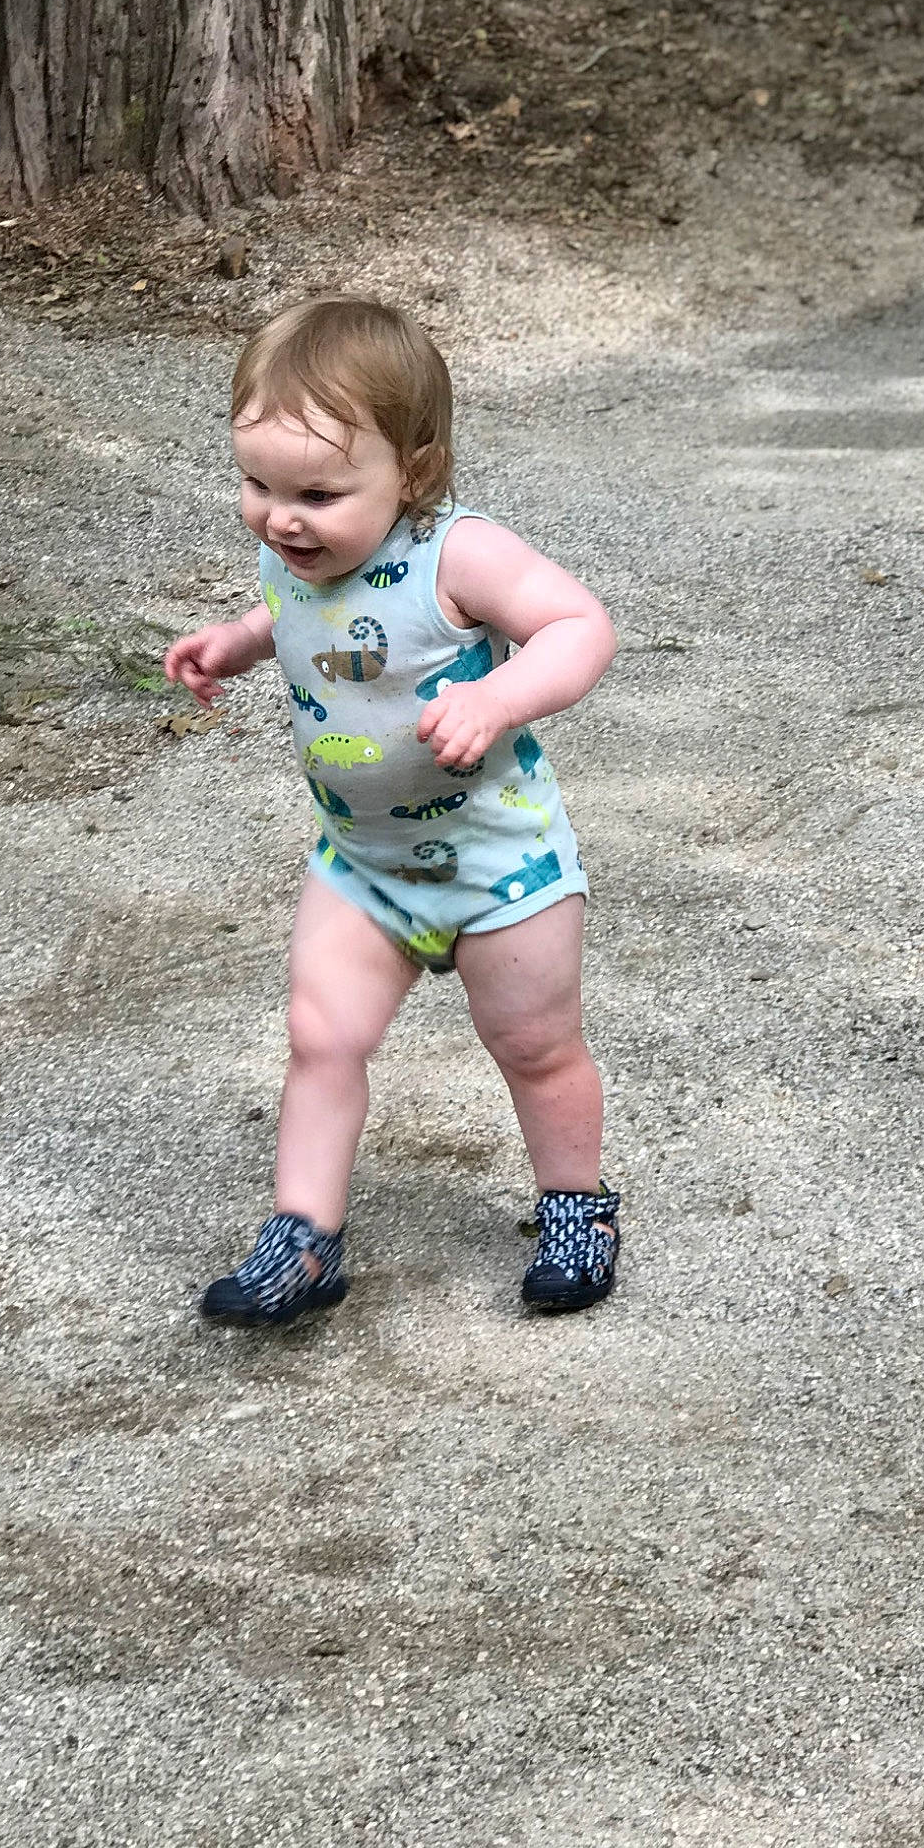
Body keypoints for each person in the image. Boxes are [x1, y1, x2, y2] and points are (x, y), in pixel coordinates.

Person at [163, 297, 620, 1325]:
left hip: (500, 863)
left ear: (411, 473)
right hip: (362, 863)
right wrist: (238, 642)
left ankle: (576, 1205)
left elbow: (581, 625)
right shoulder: (295, 554)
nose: (281, 518)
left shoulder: (458, 555)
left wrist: (499, 695)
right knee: (321, 1033)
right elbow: (292, 611)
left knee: (535, 1045)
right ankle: (305, 1236)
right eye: (257, 484)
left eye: (317, 492)